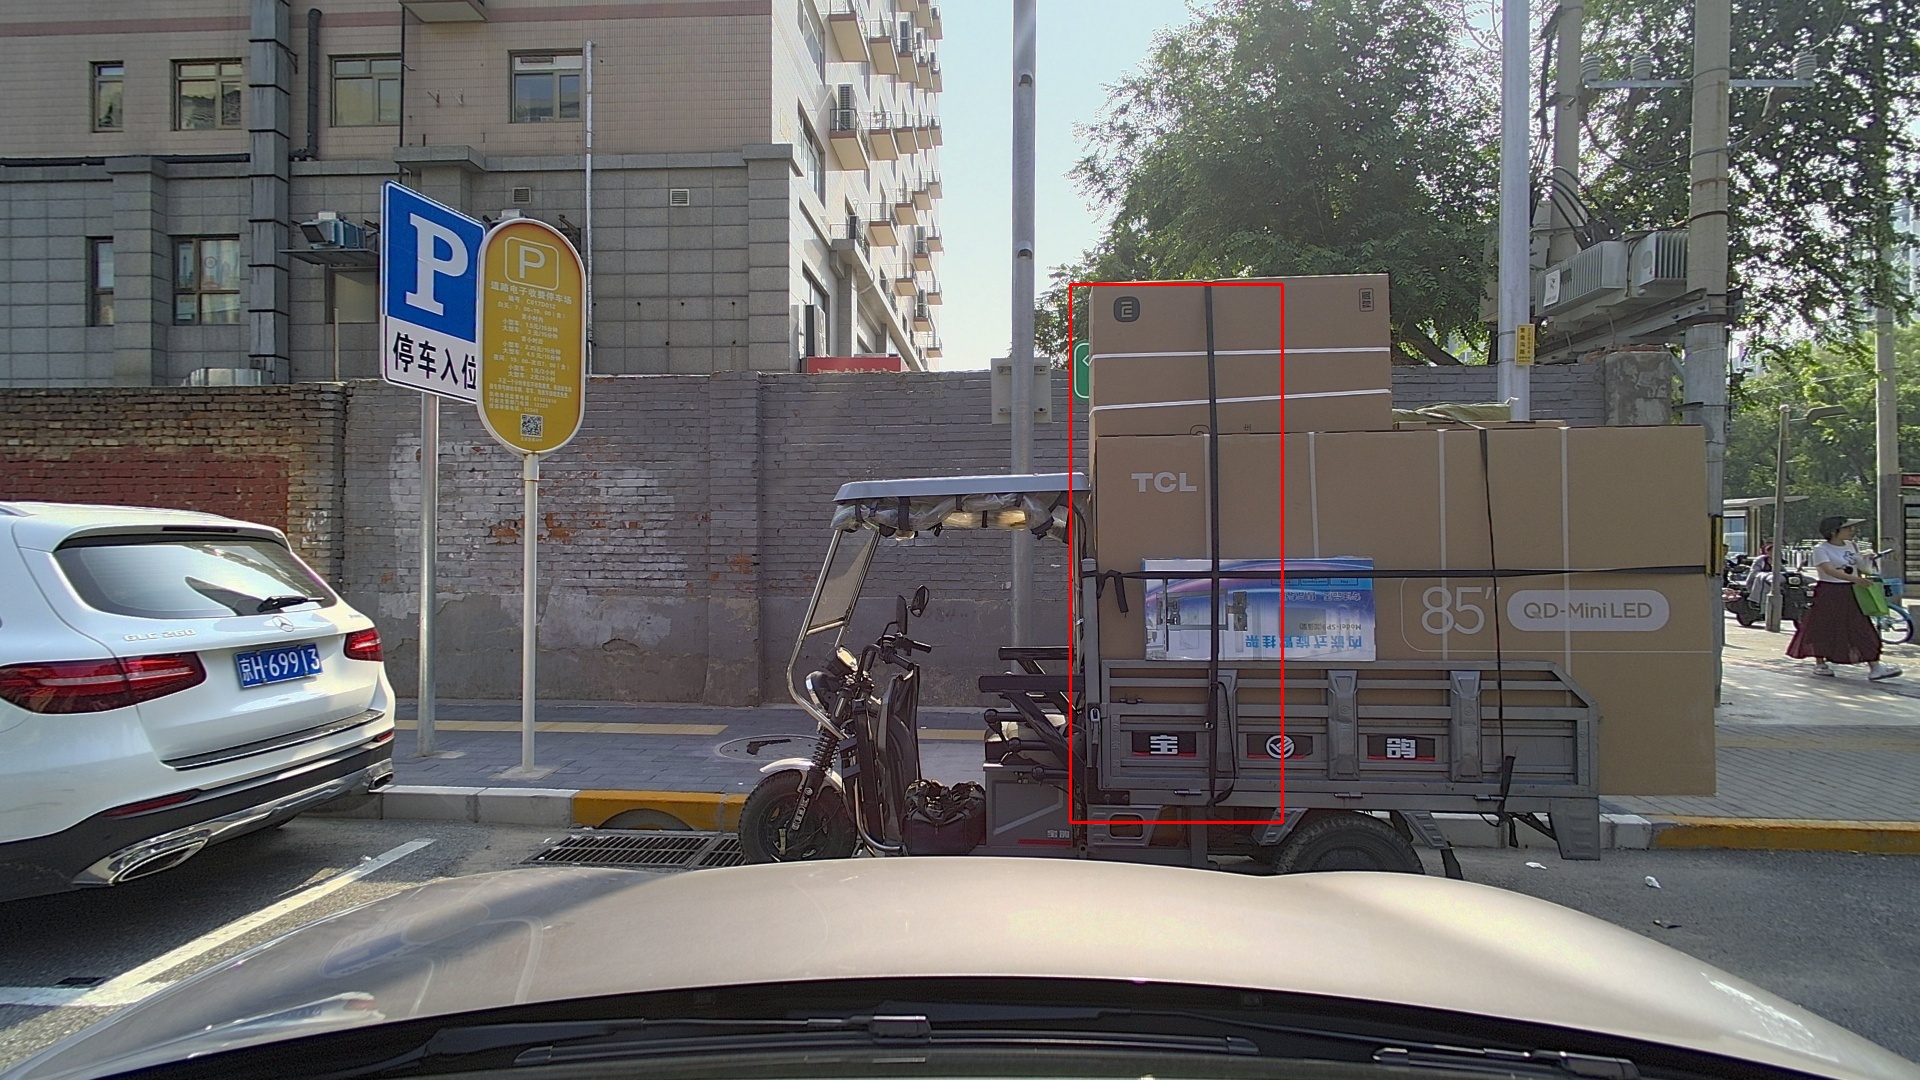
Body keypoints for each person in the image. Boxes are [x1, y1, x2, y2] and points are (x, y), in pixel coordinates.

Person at [1786, 516, 1903, 680]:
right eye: (1847, 528)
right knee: (1823, 626)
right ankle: (1820, 663)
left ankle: (1875, 666)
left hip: (1851, 591)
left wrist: (1866, 560)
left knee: (1861, 626)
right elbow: (1828, 570)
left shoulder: (1851, 545)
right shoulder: (1821, 549)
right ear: (1834, 531)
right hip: (1829, 591)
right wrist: (1855, 579)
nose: (1852, 531)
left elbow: (1860, 567)